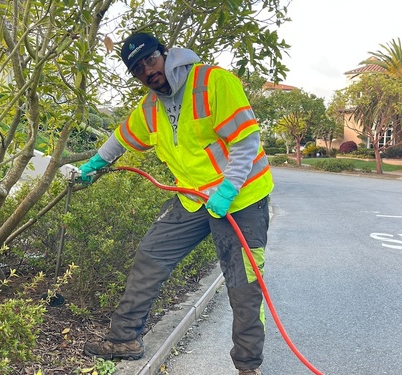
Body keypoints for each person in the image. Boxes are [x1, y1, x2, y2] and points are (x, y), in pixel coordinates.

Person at [79, 32, 273, 375]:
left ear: (165, 53)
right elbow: (120, 138)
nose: (147, 72)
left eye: (150, 61)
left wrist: (228, 191)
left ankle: (247, 366)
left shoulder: (213, 82)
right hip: (193, 198)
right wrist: (94, 165)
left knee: (244, 286)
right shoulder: (150, 107)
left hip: (241, 199)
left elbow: (246, 142)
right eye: (138, 69)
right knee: (151, 255)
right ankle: (125, 338)